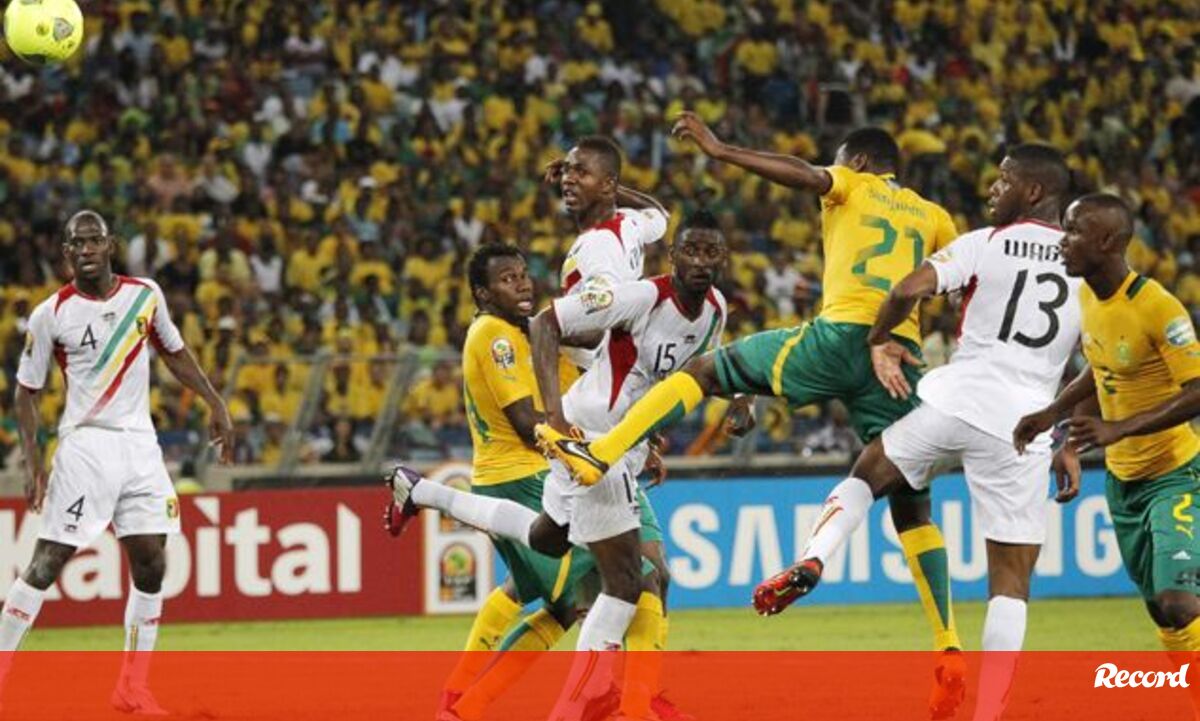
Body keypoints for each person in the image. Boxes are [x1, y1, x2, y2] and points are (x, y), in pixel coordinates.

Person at [536, 113, 966, 716]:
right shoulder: (935, 216)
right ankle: (948, 644)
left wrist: (721, 150)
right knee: (911, 502)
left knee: (704, 374)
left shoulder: (852, 182)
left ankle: (600, 453)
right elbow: (953, 287)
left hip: (841, 335)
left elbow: (801, 174)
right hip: (899, 354)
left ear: (859, 162)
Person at [388, 211, 734, 721]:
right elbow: (550, 329)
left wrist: (727, 402)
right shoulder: (632, 297)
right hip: (584, 447)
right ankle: (622, 704)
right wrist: (557, 425)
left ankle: (422, 493)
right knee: (627, 582)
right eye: (508, 279)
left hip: (602, 446)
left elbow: (681, 373)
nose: (522, 285)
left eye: (523, 275)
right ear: (671, 255)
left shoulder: (712, 309)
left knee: (551, 545)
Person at [788, 144, 1081, 721]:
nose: (992, 189)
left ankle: (815, 555)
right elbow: (1093, 362)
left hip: (957, 401)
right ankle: (988, 713)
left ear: (1033, 192)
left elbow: (904, 290)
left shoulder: (983, 242)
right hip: (1025, 426)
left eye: (1004, 181)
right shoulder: (1083, 269)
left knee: (869, 472)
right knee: (1010, 582)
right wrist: (1066, 439)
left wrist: (879, 339)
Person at [0, 210, 234, 714]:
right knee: (47, 562)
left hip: (141, 447)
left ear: (110, 245)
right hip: (86, 446)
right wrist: (34, 461)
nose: (86, 249)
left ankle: (131, 687)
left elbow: (174, 352)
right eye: (76, 243)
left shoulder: (145, 295)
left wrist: (215, 402)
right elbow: (26, 391)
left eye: (94, 240)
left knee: (152, 562)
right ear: (66, 253)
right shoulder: (51, 314)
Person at [1014, 194, 1200, 706]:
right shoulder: (1088, 298)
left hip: (1176, 475)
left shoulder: (1158, 307)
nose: (1062, 241)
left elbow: (1197, 390)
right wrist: (1057, 422)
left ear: (1108, 242)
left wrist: (1122, 428)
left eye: (1074, 231)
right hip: (1123, 484)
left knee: (1180, 602)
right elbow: (1101, 370)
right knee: (1162, 612)